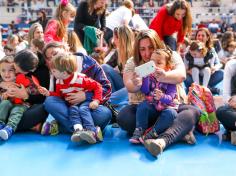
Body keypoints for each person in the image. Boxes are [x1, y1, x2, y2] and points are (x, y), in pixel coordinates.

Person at [117, 29, 200, 157]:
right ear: (137, 49)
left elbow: (181, 75)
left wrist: (164, 75)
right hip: (146, 109)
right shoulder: (133, 62)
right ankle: (177, 131)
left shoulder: (170, 55)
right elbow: (129, 85)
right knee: (123, 117)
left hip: (171, 107)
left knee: (193, 112)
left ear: (157, 44)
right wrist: (136, 83)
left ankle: (163, 139)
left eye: (151, 47)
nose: (147, 53)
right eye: (142, 49)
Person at [42, 42, 112, 133]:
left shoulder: (89, 64)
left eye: (55, 54)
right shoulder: (56, 71)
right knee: (49, 102)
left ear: (65, 49)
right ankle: (86, 130)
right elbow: (58, 96)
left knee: (105, 114)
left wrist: (86, 95)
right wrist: (48, 93)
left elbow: (106, 88)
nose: (53, 58)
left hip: (90, 107)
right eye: (49, 58)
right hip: (70, 108)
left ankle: (68, 128)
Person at [38, 53, 103, 144]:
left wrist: (96, 100)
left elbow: (98, 86)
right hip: (74, 104)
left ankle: (92, 131)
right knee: (73, 111)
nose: (52, 73)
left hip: (85, 101)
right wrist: (48, 93)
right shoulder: (59, 81)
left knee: (83, 110)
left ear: (64, 73)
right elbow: (59, 95)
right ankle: (78, 130)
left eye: (53, 71)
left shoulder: (81, 79)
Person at [129, 49, 178, 144]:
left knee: (171, 114)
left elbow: (171, 97)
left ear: (167, 67)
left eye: (159, 63)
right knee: (143, 105)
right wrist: (145, 77)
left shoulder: (170, 80)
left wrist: (162, 96)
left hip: (166, 108)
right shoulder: (149, 76)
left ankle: (152, 133)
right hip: (153, 107)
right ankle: (139, 130)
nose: (154, 65)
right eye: (152, 62)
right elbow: (145, 91)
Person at [0, 52, 40, 139]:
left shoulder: (25, 79)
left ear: (16, 70)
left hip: (22, 105)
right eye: (3, 70)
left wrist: (26, 92)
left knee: (17, 110)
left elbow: (35, 90)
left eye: (10, 70)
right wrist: (3, 95)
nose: (6, 74)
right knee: (4, 104)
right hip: (7, 104)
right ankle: (1, 123)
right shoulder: (3, 81)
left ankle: (10, 128)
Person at [184, 27, 223, 94]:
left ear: (207, 38)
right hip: (193, 75)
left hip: (207, 75)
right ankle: (208, 88)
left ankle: (204, 87)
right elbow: (185, 64)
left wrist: (214, 68)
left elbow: (219, 64)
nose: (200, 37)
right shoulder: (189, 48)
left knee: (221, 73)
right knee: (185, 76)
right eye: (198, 35)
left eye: (203, 35)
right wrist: (187, 70)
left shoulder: (211, 50)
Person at [216, 59, 236, 141]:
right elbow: (226, 96)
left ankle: (231, 132)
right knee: (221, 111)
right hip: (234, 110)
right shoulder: (231, 66)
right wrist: (232, 100)